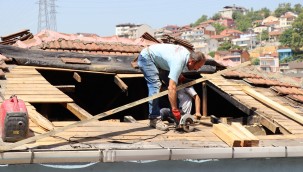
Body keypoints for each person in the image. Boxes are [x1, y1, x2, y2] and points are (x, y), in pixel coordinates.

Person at [137, 43, 206, 131]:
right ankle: (154, 118)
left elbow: (172, 63)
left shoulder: (186, 56)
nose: (197, 69)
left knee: (176, 84)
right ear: (192, 61)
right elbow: (171, 88)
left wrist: (179, 76)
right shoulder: (179, 61)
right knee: (156, 85)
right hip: (147, 58)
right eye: (198, 66)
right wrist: (175, 109)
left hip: (159, 61)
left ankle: (174, 117)